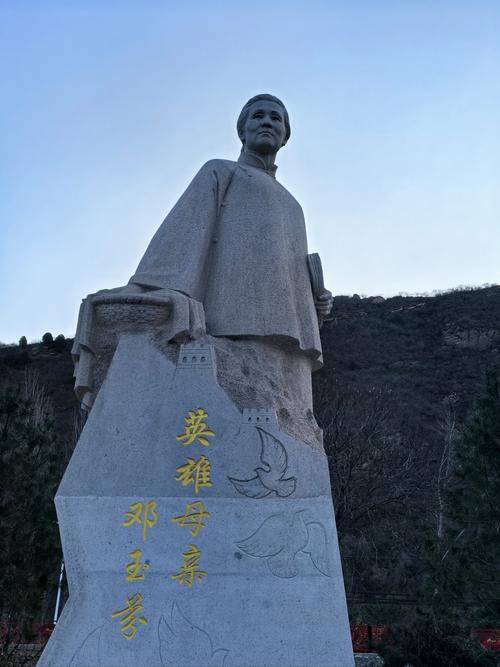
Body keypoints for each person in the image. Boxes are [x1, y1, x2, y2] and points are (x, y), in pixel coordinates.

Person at [72, 94, 332, 447]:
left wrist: (316, 307)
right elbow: (184, 232)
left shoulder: (294, 205)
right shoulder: (221, 171)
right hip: (234, 323)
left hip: (292, 341)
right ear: (242, 130)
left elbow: (292, 278)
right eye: (258, 115)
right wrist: (153, 286)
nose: (267, 122)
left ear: (286, 135)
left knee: (291, 436)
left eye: (276, 118)